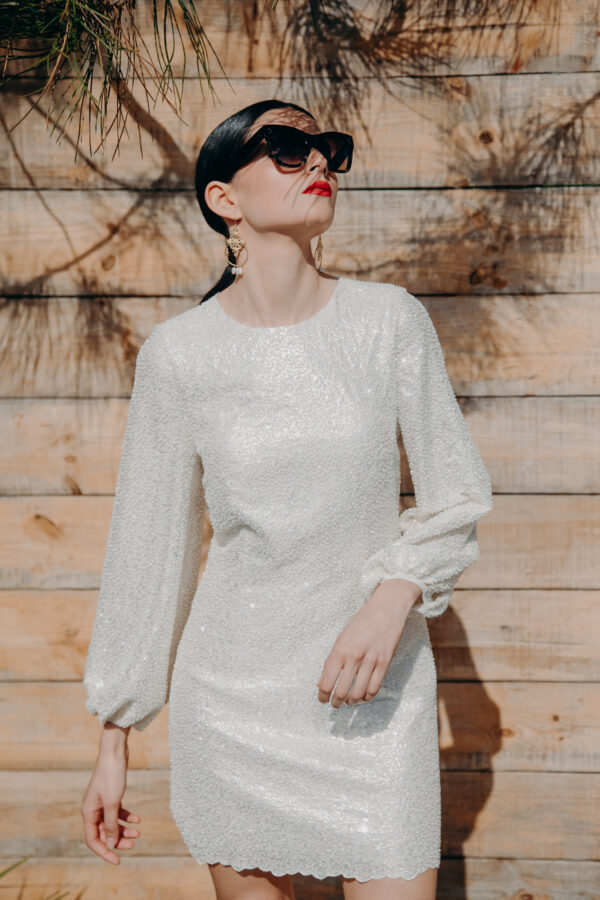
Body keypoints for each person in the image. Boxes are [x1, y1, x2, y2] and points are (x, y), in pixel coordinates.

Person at [80, 98, 493, 900]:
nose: (318, 162)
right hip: (232, 705)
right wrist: (113, 741)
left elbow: (456, 495)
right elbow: (148, 546)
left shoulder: (388, 322)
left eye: (327, 147)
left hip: (375, 702)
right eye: (286, 148)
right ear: (223, 198)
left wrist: (392, 597)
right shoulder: (180, 355)